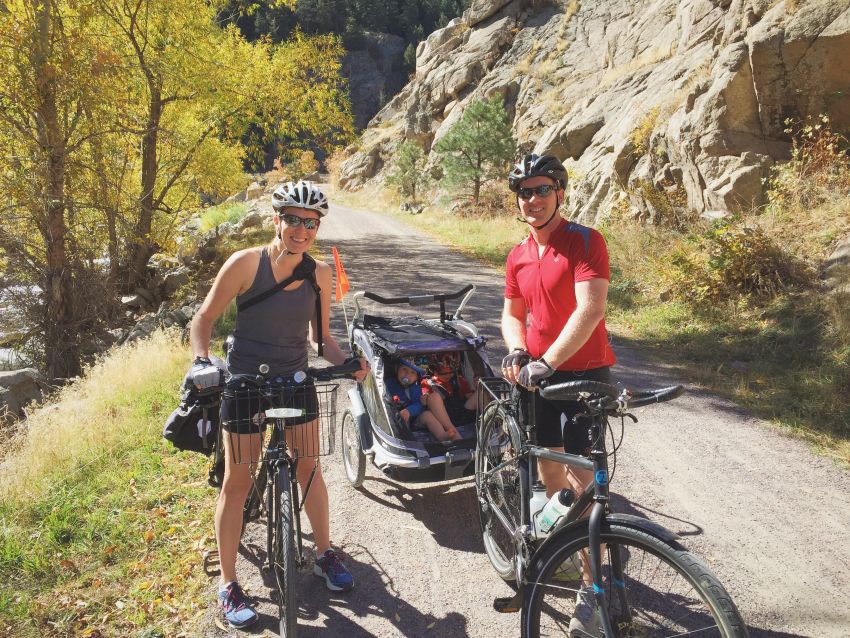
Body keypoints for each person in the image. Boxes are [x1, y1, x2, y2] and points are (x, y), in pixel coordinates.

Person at [188, 180, 368, 629]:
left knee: (308, 466)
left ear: (317, 227)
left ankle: (324, 554)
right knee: (238, 479)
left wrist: (348, 362)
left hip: (295, 381)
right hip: (246, 382)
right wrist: (201, 361)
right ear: (277, 220)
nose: (301, 229)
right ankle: (229, 583)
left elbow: (320, 339)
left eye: (310, 222)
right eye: (292, 219)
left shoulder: (320, 274)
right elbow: (204, 319)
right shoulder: (246, 264)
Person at [499, 154, 616, 637]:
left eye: (541, 189)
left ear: (560, 193)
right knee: (550, 471)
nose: (532, 199)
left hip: (585, 375)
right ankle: (563, 552)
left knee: (587, 484)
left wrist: (550, 361)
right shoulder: (518, 254)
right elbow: (511, 312)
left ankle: (592, 590)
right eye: (524, 192)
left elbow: (590, 309)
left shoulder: (585, 241)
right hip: (539, 379)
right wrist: (519, 351)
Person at [385, 358, 462, 442]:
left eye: (412, 372)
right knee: (401, 419)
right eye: (404, 369)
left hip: (414, 420)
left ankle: (442, 435)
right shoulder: (389, 384)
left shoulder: (415, 388)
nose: (407, 374)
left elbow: (419, 404)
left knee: (427, 415)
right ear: (397, 369)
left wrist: (409, 411)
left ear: (417, 377)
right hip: (396, 417)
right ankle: (404, 439)